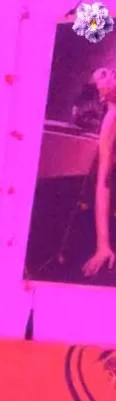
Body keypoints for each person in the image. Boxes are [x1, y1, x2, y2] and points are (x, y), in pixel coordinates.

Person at [82, 66, 116, 277]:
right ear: (101, 96)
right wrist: (103, 246)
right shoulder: (112, 120)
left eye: (108, 70)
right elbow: (104, 183)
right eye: (102, 75)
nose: (110, 72)